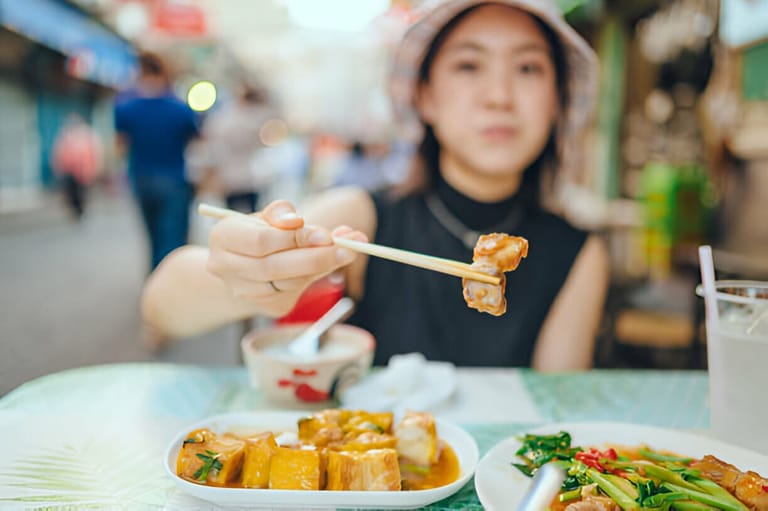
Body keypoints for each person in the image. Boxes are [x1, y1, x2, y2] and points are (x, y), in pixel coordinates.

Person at [141, 0, 610, 371]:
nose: (500, 96)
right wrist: (252, 279)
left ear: (558, 101)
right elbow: (162, 306)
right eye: (469, 66)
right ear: (423, 96)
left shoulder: (578, 253)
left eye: (528, 69)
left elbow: (554, 414)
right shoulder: (364, 218)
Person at [114, 52, 199, 271]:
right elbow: (197, 144)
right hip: (174, 179)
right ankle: (170, 285)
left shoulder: (125, 108)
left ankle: (155, 284)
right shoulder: (181, 109)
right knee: (172, 239)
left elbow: (120, 146)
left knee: (152, 237)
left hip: (141, 178)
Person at [199, 84, 275, 213]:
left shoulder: (221, 119)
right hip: (250, 176)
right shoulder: (255, 120)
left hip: (230, 177)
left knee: (232, 214)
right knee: (252, 213)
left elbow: (213, 148)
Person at [50, 113, 102, 220]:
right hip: (69, 171)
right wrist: (57, 168)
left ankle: (81, 212)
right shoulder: (65, 135)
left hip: (84, 171)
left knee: (82, 193)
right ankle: (76, 212)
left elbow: (95, 152)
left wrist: (94, 168)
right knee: (70, 193)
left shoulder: (87, 134)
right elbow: (58, 152)